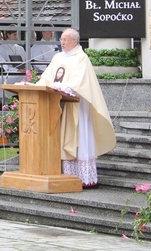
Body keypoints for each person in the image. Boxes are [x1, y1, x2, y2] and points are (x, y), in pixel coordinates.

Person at [36, 28, 116, 188]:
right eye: (62, 40)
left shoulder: (81, 58)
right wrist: (38, 86)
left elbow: (79, 82)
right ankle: (64, 174)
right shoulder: (58, 57)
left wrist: (63, 88)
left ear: (75, 41)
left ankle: (84, 178)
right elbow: (47, 77)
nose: (62, 42)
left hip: (76, 105)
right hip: (58, 104)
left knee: (78, 137)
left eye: (66, 40)